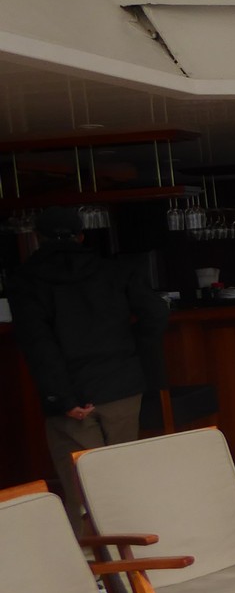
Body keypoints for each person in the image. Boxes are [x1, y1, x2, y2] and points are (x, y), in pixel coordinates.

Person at [9, 204, 169, 527]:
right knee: (123, 480)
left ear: (37, 237)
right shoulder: (114, 270)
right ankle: (136, 548)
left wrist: (61, 398)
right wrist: (130, 350)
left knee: (82, 491)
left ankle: (92, 557)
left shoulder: (25, 280)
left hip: (72, 393)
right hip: (121, 386)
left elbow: (39, 344)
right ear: (81, 236)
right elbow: (156, 313)